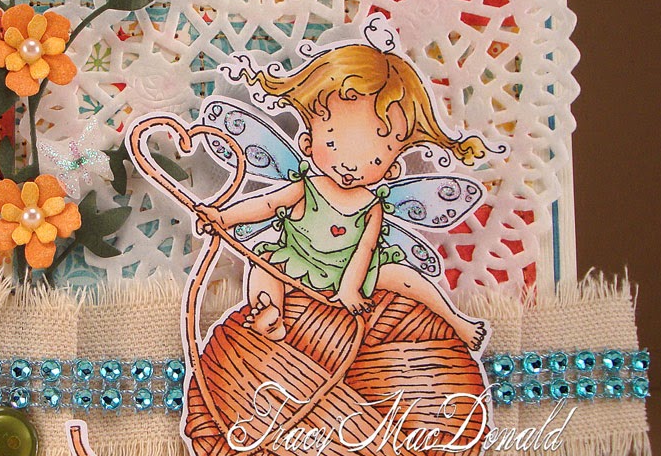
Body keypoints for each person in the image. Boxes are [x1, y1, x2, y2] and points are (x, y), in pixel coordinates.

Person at [195, 40, 490, 349]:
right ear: (307, 142)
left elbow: (365, 249)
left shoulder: (372, 207)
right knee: (263, 267)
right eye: (334, 144)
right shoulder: (306, 187)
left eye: (373, 157)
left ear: (393, 168)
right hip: (297, 261)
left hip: (353, 272)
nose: (350, 164)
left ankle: (458, 321)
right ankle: (270, 313)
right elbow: (267, 203)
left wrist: (350, 287)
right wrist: (222, 217)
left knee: (404, 276)